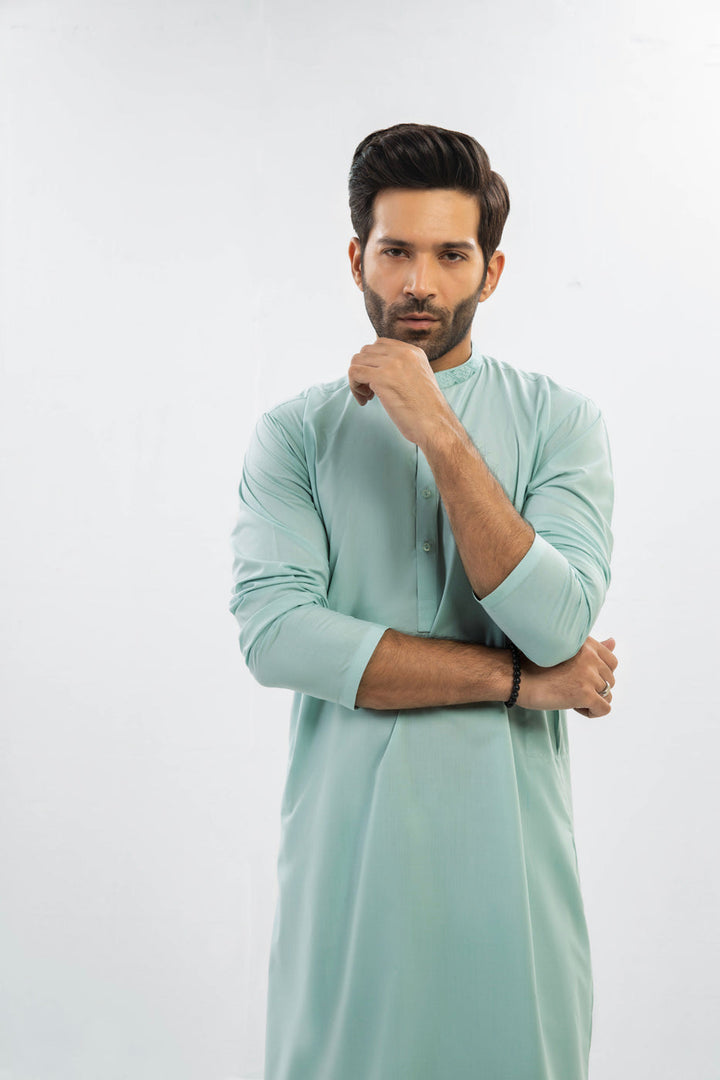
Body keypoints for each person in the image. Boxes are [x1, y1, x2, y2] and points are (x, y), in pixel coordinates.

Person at [229, 122, 616, 1080]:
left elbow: (557, 623)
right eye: (396, 251)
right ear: (357, 259)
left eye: (451, 255)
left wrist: (437, 429)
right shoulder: (293, 436)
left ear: (491, 272)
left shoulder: (562, 424)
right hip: (347, 883)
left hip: (513, 887)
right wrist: (518, 683)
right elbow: (278, 637)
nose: (419, 284)